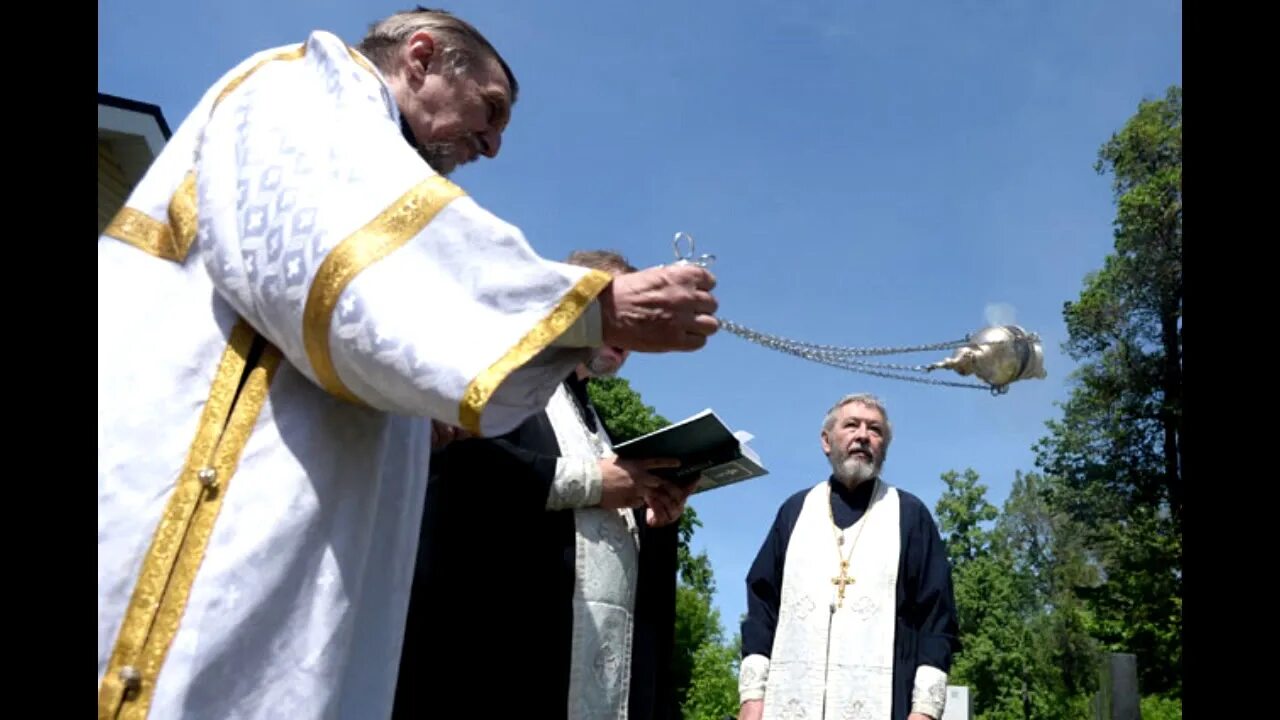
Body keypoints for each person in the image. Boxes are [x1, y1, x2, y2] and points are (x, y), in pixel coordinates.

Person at [97, 9, 719, 720]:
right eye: (490, 111)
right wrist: (587, 307)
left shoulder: (361, 153)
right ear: (421, 58)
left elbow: (353, 333)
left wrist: (419, 428)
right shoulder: (299, 88)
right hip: (200, 501)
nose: (490, 145)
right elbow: (337, 262)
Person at [393, 249, 691, 720]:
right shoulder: (503, 377)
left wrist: (653, 516)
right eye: (618, 310)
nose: (627, 335)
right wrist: (594, 480)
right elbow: (460, 469)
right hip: (507, 656)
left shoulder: (597, 424)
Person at [736, 394, 959, 720]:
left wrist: (925, 711)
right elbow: (762, 607)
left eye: (875, 430)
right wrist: (752, 698)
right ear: (827, 441)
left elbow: (937, 619)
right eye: (851, 425)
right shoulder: (795, 512)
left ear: (884, 446)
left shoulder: (909, 516)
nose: (863, 436)